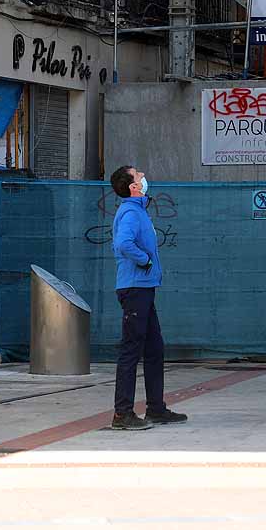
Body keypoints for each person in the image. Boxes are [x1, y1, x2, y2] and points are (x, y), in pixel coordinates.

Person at [108, 165, 188, 431]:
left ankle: (155, 408)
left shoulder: (139, 211)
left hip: (143, 287)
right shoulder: (131, 212)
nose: (144, 177)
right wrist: (144, 261)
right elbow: (123, 244)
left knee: (154, 349)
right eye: (139, 175)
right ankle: (122, 413)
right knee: (132, 349)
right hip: (134, 288)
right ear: (133, 187)